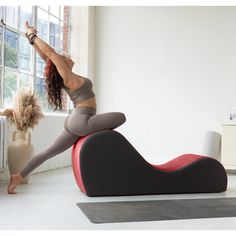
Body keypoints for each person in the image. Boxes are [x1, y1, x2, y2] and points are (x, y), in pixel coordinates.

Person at [7, 21, 126, 194]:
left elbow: (47, 58)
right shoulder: (67, 77)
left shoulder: (67, 76)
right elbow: (51, 53)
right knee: (121, 116)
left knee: (48, 152)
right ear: (61, 65)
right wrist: (33, 34)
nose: (66, 55)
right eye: (63, 56)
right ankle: (92, 133)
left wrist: (31, 41)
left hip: (75, 120)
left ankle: (18, 177)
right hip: (82, 120)